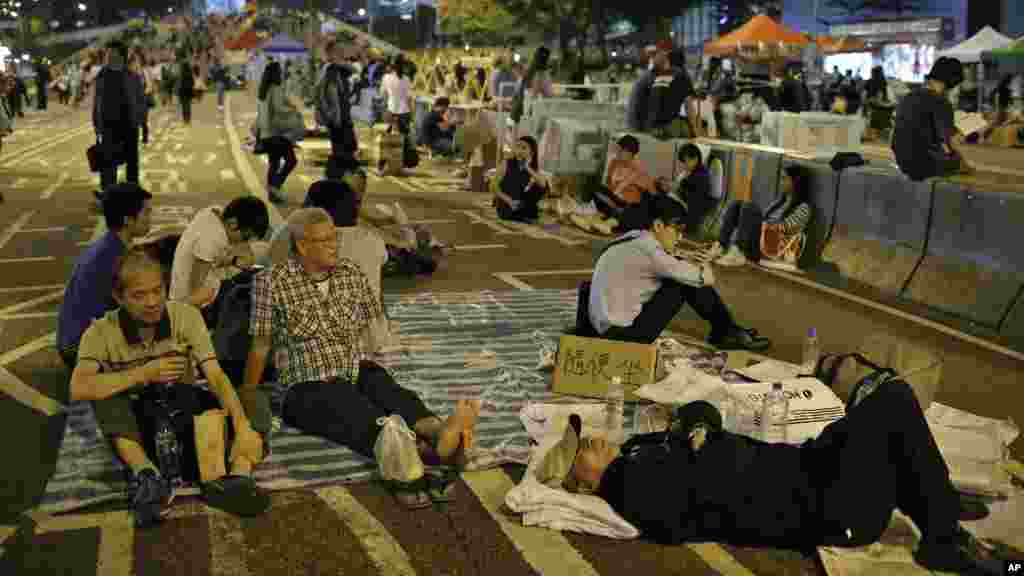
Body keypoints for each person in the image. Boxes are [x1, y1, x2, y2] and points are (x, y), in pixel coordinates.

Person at [562, 354, 1006, 576]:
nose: (595, 440)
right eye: (584, 450)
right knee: (892, 401)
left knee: (890, 405)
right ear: (583, 481)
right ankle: (942, 532)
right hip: (826, 505)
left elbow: (701, 412)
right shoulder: (632, 489)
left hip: (808, 467)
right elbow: (675, 521)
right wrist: (633, 471)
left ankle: (937, 507)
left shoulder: (640, 451)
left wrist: (693, 429)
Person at [244, 207, 481, 509]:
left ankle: (434, 432)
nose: (334, 245)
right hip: (307, 385)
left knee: (386, 388)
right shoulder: (271, 283)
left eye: (335, 237)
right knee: (353, 409)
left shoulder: (351, 273)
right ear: (302, 246)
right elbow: (260, 345)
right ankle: (411, 453)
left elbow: (374, 321)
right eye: (324, 240)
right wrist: (249, 393)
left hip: (354, 366)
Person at [69, 251, 271, 528]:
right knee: (104, 394)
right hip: (139, 426)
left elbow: (214, 375)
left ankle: (238, 477)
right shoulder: (100, 332)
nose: (152, 302)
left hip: (184, 410)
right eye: (139, 295)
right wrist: (143, 373)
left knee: (251, 396)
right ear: (119, 298)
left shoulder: (185, 316)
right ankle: (147, 476)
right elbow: (79, 387)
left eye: (157, 291)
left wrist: (242, 425)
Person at [575, 194, 771, 350]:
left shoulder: (633, 238)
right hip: (624, 338)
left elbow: (667, 259)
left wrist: (686, 257)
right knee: (684, 283)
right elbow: (705, 279)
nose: (679, 237)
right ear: (659, 225)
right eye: (676, 230)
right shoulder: (652, 252)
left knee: (677, 275)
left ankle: (727, 329)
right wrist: (706, 261)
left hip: (600, 329)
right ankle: (726, 330)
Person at [57, 184, 153, 368]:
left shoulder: (109, 244)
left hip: (72, 341)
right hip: (79, 349)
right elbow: (135, 315)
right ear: (127, 219)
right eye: (146, 213)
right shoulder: (114, 257)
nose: (150, 219)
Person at [168, 196, 270, 316]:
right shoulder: (211, 240)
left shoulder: (213, 212)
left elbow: (211, 260)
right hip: (197, 303)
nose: (245, 242)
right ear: (232, 224)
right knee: (261, 285)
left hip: (210, 285)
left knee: (260, 268)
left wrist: (233, 261)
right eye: (245, 237)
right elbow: (195, 292)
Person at [709, 165, 811, 267]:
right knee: (736, 204)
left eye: (784, 179)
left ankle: (738, 251)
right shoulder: (779, 202)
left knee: (749, 208)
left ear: (796, 182)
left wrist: (760, 223)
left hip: (774, 248)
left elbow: (786, 229)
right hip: (762, 240)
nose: (781, 182)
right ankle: (721, 245)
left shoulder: (803, 207)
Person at [892, 56, 973, 181]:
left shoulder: (908, 97)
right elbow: (950, 142)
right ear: (952, 81)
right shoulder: (941, 102)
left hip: (902, 161)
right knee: (956, 162)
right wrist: (963, 163)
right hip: (926, 164)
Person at [94, 41, 141, 200]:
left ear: (119, 56)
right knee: (107, 163)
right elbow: (97, 101)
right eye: (106, 53)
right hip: (108, 126)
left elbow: (139, 100)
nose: (106, 56)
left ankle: (133, 194)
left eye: (110, 53)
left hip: (129, 125)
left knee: (131, 162)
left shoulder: (132, 76)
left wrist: (141, 122)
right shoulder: (101, 75)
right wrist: (97, 123)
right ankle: (107, 195)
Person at [627, 41, 701, 139]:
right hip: (660, 130)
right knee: (687, 125)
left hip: (642, 127)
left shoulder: (650, 76)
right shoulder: (680, 75)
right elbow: (689, 107)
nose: (652, 59)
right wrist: (696, 133)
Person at [591, 134, 659, 232]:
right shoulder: (614, 163)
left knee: (637, 212)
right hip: (613, 201)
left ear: (631, 153)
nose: (618, 153)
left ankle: (615, 217)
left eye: (622, 151)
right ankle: (612, 215)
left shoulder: (639, 169)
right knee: (596, 188)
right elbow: (608, 185)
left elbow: (653, 193)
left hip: (629, 206)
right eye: (618, 149)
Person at [257, 61, 303, 204]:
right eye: (280, 71)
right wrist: (293, 110)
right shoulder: (275, 88)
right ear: (276, 74)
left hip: (265, 133)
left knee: (274, 163)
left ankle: (273, 195)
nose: (282, 74)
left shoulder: (263, 90)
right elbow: (278, 109)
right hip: (276, 133)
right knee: (291, 160)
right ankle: (275, 186)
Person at [316, 40, 359, 171]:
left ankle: (340, 175)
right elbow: (319, 94)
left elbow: (354, 70)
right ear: (330, 53)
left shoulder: (340, 70)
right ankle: (337, 177)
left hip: (344, 115)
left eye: (341, 51)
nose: (341, 53)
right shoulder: (327, 70)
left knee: (350, 146)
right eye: (337, 51)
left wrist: (341, 62)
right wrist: (327, 113)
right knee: (340, 149)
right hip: (335, 117)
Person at [494, 135, 549, 222]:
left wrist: (527, 167)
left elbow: (543, 185)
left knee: (541, 186)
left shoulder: (531, 168)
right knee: (529, 213)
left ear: (532, 152)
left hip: (519, 202)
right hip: (506, 203)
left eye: (524, 148)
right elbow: (494, 187)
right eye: (517, 146)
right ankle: (523, 215)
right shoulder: (506, 163)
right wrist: (510, 201)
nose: (519, 150)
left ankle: (525, 214)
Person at [672, 143, 714, 238]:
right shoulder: (692, 173)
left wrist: (678, 189)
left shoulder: (701, 177)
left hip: (692, 216)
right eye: (683, 162)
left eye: (685, 162)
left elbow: (694, 202)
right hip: (686, 210)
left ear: (695, 159)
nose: (684, 165)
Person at [381, 57, 413, 136]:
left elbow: (384, 94)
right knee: (404, 137)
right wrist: (411, 112)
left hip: (390, 109)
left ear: (391, 66)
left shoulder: (386, 77)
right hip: (404, 111)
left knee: (389, 137)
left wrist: (384, 108)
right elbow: (408, 98)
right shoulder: (407, 79)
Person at [177, 59, 195, 125]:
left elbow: (179, 84)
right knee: (188, 106)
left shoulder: (181, 74)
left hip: (183, 91)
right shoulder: (190, 73)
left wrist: (178, 92)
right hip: (189, 91)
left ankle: (185, 120)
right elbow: (193, 82)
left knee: (184, 106)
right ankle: (188, 119)